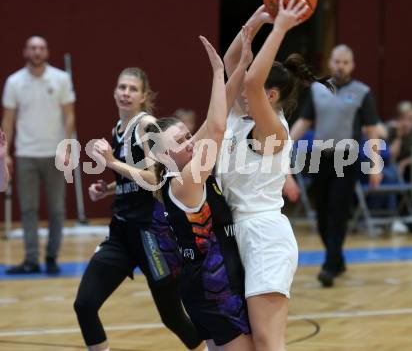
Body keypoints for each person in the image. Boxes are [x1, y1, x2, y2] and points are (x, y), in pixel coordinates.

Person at [73, 68, 202, 351]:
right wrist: (107, 188)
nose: (126, 93)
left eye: (133, 89)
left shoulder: (146, 125)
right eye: (122, 87)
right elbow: (132, 177)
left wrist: (111, 163)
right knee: (84, 304)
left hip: (150, 235)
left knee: (173, 318)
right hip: (121, 233)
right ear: (114, 91)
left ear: (144, 96)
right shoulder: (118, 129)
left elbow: (155, 179)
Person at [146, 32, 254, 351]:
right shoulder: (185, 180)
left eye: (187, 134)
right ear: (164, 156)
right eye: (179, 142)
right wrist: (217, 72)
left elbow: (213, 118)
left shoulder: (186, 163)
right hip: (214, 290)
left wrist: (239, 67)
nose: (190, 141)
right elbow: (218, 127)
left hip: (209, 284)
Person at [219, 0, 309, 351]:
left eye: (253, 89)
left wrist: (282, 27)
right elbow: (233, 64)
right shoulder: (237, 115)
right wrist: (256, 20)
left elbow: (251, 80)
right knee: (244, 343)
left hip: (264, 235)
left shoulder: (273, 129)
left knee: (268, 341)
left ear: (271, 96)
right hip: (233, 232)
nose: (241, 86)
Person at [290, 44, 383, 287]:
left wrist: (375, 165)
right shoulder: (319, 89)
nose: (340, 66)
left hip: (347, 158)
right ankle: (337, 259)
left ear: (352, 65)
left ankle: (329, 267)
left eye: (345, 62)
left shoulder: (363, 92)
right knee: (321, 214)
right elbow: (304, 121)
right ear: (330, 63)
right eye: (337, 61)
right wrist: (284, 144)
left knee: (337, 213)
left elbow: (372, 132)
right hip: (321, 157)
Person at [2, 35, 76, 274]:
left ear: (47, 52)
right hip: (25, 154)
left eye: (41, 48)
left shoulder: (61, 79)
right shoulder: (14, 82)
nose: (37, 52)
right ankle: (31, 259)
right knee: (29, 209)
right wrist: (6, 153)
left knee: (56, 210)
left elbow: (69, 115)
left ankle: (52, 257)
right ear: (25, 52)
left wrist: (66, 147)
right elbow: (9, 119)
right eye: (33, 48)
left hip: (55, 153)